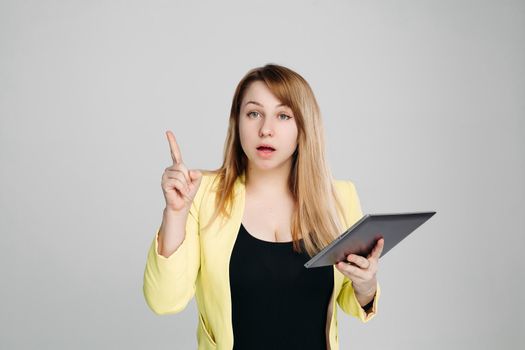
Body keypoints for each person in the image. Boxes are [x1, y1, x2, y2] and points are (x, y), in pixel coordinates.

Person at [143, 63, 384, 350]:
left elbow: (348, 298)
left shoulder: (339, 198)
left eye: (283, 115)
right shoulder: (203, 194)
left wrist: (366, 284)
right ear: (237, 121)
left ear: (303, 127)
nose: (266, 130)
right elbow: (164, 301)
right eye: (254, 113)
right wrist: (175, 213)